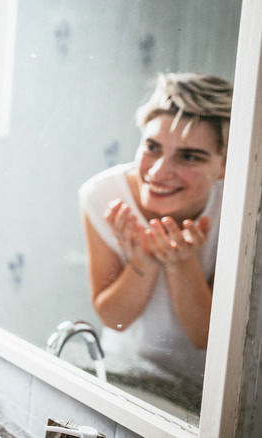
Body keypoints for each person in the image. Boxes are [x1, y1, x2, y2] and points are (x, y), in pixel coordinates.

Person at [79, 72, 232, 383]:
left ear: (226, 166)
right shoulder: (103, 196)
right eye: (152, 147)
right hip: (123, 371)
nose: (159, 172)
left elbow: (205, 336)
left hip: (207, 386)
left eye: (189, 156)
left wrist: (181, 261)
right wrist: (144, 260)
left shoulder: (240, 210)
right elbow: (114, 320)